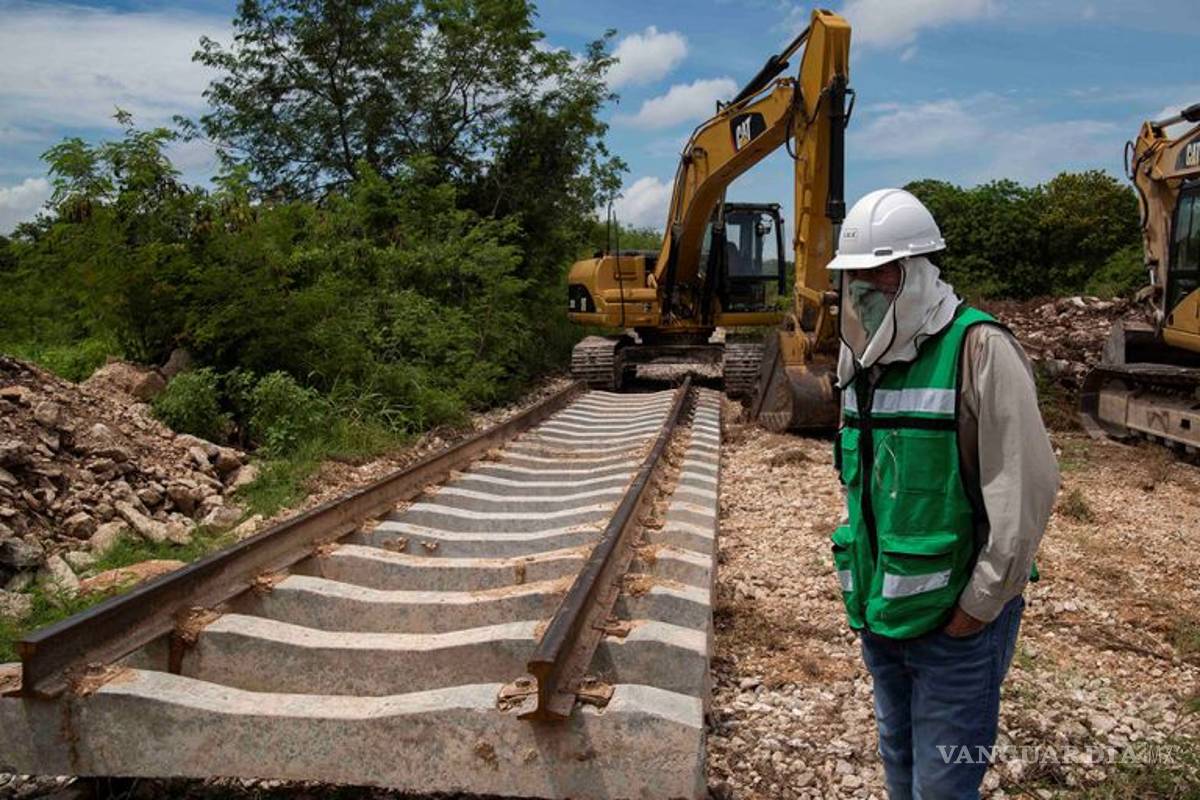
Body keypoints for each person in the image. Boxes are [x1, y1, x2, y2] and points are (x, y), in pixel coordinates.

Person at [826, 188, 1060, 799]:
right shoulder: (858, 361)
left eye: (875, 276)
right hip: (883, 618)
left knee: (945, 784)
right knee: (898, 760)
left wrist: (975, 612)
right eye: (851, 279)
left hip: (956, 631)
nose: (861, 292)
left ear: (914, 271)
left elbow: (1023, 500)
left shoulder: (979, 350)